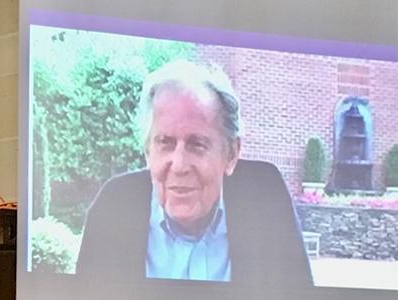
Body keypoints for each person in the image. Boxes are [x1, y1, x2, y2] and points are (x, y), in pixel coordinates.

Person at [75, 60, 312, 286]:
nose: (179, 165)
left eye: (197, 144)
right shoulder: (114, 207)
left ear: (231, 154)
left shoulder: (264, 198)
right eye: (165, 143)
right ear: (148, 151)